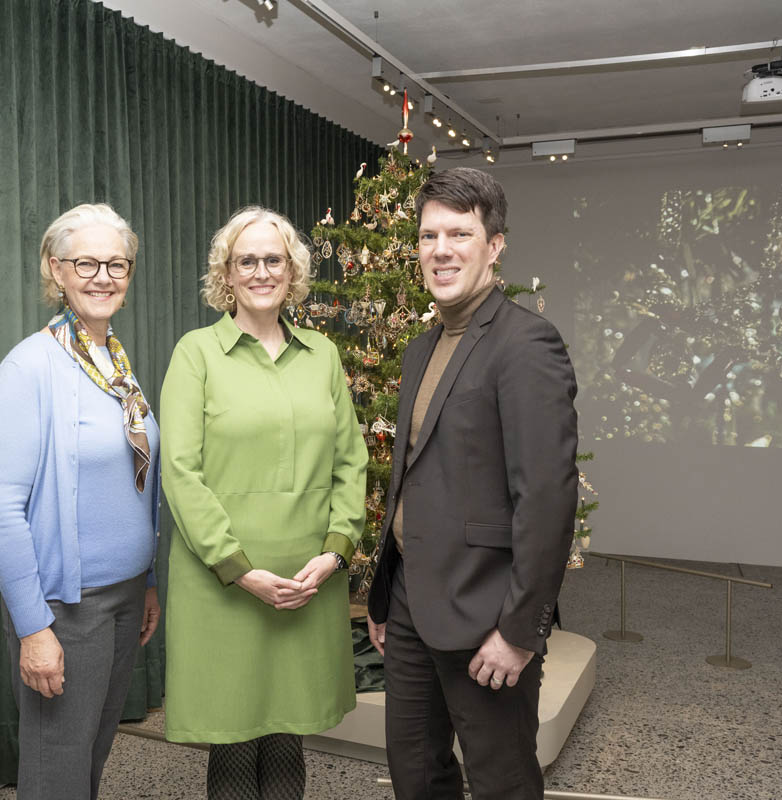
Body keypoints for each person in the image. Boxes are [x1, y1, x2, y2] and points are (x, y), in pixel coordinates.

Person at [366, 167, 579, 800]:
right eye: (429, 235)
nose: (440, 250)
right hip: (409, 602)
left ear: (495, 244)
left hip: (486, 610)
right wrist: (386, 593)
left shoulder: (525, 344)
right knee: (416, 773)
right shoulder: (420, 348)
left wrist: (519, 632)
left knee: (501, 780)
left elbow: (547, 499)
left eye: (459, 233)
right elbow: (416, 477)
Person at [160, 206, 368, 800]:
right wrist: (239, 568)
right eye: (245, 260)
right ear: (226, 273)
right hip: (223, 581)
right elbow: (179, 472)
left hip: (307, 580)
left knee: (287, 731)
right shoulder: (195, 353)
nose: (260, 271)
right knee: (234, 732)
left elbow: (350, 463)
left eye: (272, 259)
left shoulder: (322, 355)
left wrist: (334, 554)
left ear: (292, 270)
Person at [0, 203, 161, 800]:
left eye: (117, 264)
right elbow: (1, 512)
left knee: (91, 758)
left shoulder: (117, 364)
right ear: (55, 271)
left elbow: (135, 485)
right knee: (56, 772)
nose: (103, 276)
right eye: (87, 263)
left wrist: (149, 580)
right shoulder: (29, 367)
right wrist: (35, 628)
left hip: (125, 596)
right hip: (65, 607)